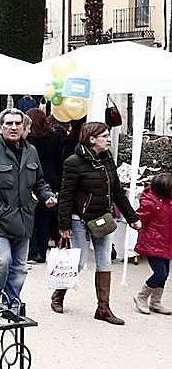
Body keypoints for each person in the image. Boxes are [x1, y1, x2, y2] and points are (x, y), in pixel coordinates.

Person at [0, 108, 57, 309]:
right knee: (2, 261)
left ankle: (11, 303)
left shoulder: (31, 151)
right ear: (0, 127)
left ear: (24, 126)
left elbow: (39, 181)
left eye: (18, 123)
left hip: (24, 219)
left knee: (19, 267)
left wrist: (47, 196)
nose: (14, 127)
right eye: (9, 124)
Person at [56, 121, 139, 324]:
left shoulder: (108, 159)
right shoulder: (73, 162)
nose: (109, 139)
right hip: (78, 219)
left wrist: (132, 217)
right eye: (104, 136)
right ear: (91, 139)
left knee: (104, 260)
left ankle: (103, 308)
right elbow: (66, 195)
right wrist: (64, 225)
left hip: (102, 218)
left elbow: (117, 191)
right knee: (80, 260)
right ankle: (59, 294)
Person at [25, 108, 64, 264]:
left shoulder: (28, 140)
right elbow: (58, 160)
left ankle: (33, 251)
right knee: (45, 218)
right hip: (51, 178)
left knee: (31, 217)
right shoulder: (54, 137)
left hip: (33, 178)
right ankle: (41, 251)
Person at [134, 172, 172, 315]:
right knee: (160, 273)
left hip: (166, 243)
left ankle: (156, 302)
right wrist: (137, 223)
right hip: (152, 243)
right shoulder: (151, 203)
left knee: (165, 273)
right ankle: (141, 297)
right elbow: (139, 218)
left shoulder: (169, 201)